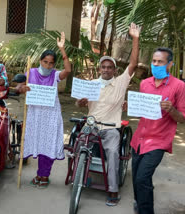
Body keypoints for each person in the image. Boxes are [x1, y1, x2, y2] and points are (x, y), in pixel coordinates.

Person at [75, 23, 140, 206]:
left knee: (112, 152)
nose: (106, 69)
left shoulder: (120, 83)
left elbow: (133, 63)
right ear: (99, 69)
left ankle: (112, 190)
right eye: (103, 67)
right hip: (92, 125)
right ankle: (80, 178)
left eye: (109, 67)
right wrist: (80, 103)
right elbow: (80, 102)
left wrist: (135, 38)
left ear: (114, 70)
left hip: (111, 128)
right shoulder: (92, 83)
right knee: (78, 146)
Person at [131, 47, 185, 214]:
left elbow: (182, 118)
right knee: (136, 178)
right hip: (139, 139)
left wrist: (172, 110)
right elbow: (141, 112)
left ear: (169, 64)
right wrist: (131, 106)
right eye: (154, 61)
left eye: (160, 62)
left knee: (142, 178)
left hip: (159, 141)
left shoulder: (179, 86)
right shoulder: (144, 83)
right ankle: (140, 203)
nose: (155, 64)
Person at [16, 32, 71, 188]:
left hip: (51, 115)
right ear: (40, 61)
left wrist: (62, 50)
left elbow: (67, 69)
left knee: (49, 144)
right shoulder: (31, 73)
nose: (48, 65)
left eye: (51, 63)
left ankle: (44, 175)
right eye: (45, 62)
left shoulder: (55, 75)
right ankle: (39, 173)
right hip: (34, 114)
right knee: (37, 142)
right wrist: (22, 88)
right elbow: (19, 87)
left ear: (54, 64)